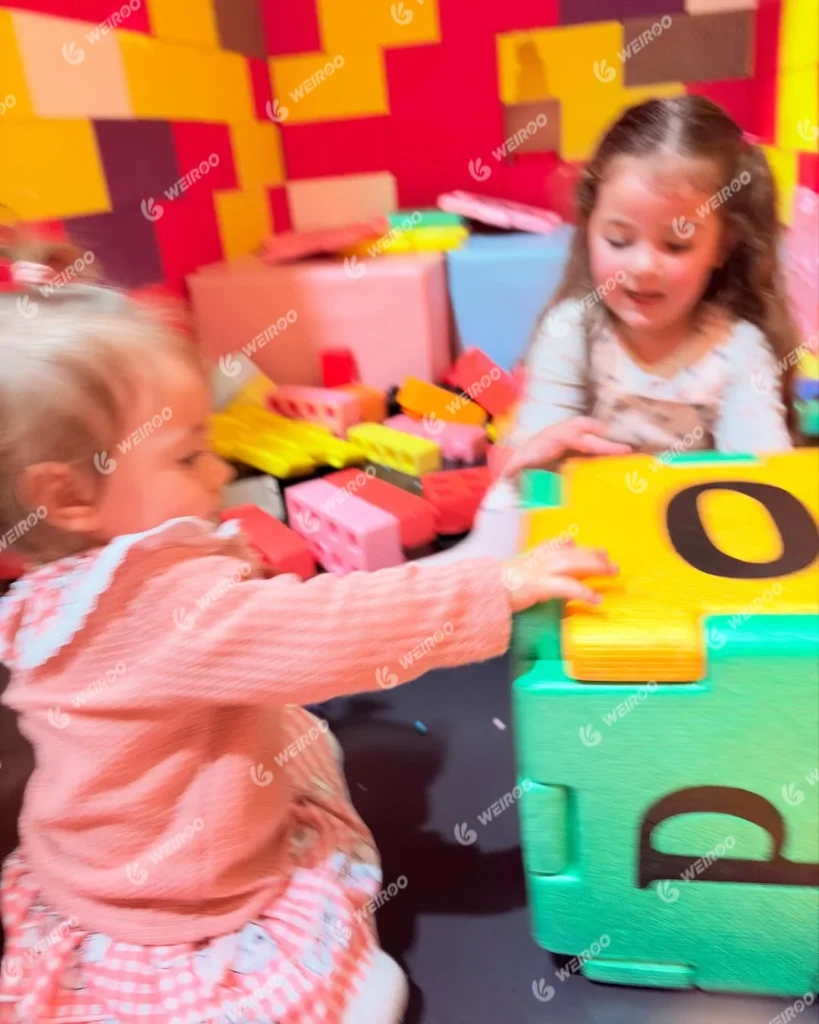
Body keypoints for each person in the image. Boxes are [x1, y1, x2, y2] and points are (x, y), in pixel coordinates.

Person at [0, 253, 616, 1024]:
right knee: (362, 993)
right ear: (67, 493)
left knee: (294, 733)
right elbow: (339, 626)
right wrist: (498, 589)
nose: (218, 464)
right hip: (180, 899)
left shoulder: (51, 594)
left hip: (83, 867)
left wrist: (500, 521)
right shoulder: (157, 605)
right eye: (186, 454)